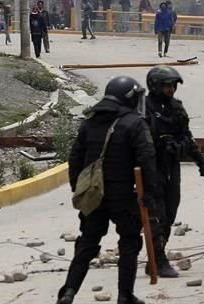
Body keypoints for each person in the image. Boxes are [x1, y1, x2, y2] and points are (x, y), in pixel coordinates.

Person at [57, 76, 158, 304]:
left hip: (94, 193)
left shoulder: (90, 122)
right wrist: (150, 195)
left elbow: (75, 159)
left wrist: (79, 189)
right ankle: (125, 295)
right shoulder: (134, 123)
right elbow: (147, 159)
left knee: (88, 242)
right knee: (130, 242)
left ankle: (69, 292)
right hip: (123, 194)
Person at [143, 66, 204, 278]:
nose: (171, 89)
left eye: (173, 86)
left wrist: (200, 161)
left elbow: (187, 136)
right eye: (167, 86)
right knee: (156, 214)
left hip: (172, 165)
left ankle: (155, 255)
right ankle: (159, 260)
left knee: (170, 212)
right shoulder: (143, 108)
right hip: (151, 168)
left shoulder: (176, 108)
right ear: (155, 86)